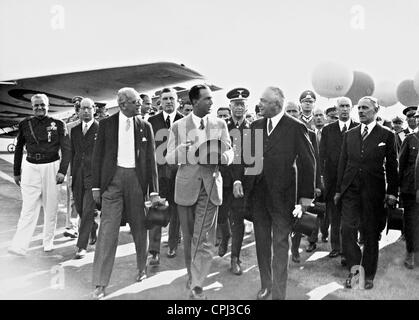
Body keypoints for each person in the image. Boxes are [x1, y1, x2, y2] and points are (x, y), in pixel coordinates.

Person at [240, 87, 315, 300]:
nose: (259, 104)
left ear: (276, 104)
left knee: (281, 248)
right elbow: (244, 158)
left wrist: (305, 199)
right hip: (258, 198)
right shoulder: (254, 126)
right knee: (262, 244)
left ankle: (279, 294)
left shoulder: (296, 127)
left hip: (284, 199)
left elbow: (309, 163)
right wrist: (239, 181)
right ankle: (266, 286)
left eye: (263, 101)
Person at [166, 84, 234, 299]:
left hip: (211, 187)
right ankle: (192, 274)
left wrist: (224, 158)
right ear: (194, 102)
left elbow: (230, 150)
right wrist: (181, 151)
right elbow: (167, 158)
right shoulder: (178, 126)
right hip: (186, 188)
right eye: (207, 99)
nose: (211, 103)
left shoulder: (220, 123)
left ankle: (196, 284)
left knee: (203, 238)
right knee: (189, 238)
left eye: (211, 99)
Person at [91, 87, 158, 299]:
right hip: (113, 182)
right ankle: (100, 284)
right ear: (123, 105)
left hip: (136, 183)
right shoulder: (106, 124)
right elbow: (97, 156)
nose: (141, 104)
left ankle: (141, 268)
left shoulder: (145, 126)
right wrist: (95, 187)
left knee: (140, 228)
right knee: (107, 232)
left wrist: (154, 191)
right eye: (137, 102)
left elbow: (151, 161)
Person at [335, 96, 398, 290]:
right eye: (359, 108)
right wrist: (339, 189)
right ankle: (355, 272)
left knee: (371, 234)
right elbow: (342, 164)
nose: (361, 111)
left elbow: (392, 166)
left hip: (374, 193)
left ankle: (368, 274)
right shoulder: (350, 135)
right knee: (347, 230)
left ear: (376, 111)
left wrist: (392, 193)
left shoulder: (387, 135)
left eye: (365, 108)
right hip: (350, 191)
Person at [8, 94, 71, 256]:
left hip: (51, 166)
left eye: (42, 105)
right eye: (36, 105)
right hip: (30, 167)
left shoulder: (58, 124)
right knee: (28, 208)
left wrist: (62, 171)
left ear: (48, 105)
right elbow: (18, 147)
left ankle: (48, 242)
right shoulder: (25, 124)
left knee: (51, 207)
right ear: (32, 107)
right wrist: (16, 171)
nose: (39, 108)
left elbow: (66, 149)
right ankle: (19, 245)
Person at [320, 97, 359, 265]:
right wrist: (321, 178)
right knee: (334, 216)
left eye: (347, 106)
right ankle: (336, 247)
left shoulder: (358, 127)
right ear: (336, 109)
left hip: (352, 181)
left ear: (351, 108)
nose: (344, 109)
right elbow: (322, 156)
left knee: (350, 219)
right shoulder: (328, 130)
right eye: (341, 106)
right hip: (332, 180)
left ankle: (348, 250)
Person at [217, 88, 252, 276]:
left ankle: (235, 258)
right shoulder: (221, 126)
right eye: (235, 104)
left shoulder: (253, 128)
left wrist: (243, 179)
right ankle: (225, 237)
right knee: (221, 217)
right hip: (223, 180)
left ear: (246, 107)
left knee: (238, 220)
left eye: (242, 104)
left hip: (242, 183)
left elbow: (253, 158)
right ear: (229, 106)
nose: (239, 107)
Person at [147, 88, 183, 264]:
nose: (169, 101)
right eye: (165, 99)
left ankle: (172, 243)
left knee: (176, 210)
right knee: (156, 210)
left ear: (177, 101)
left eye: (172, 98)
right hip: (159, 173)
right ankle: (153, 250)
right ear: (159, 102)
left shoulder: (184, 121)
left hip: (178, 173)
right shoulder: (152, 121)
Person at [284, 102, 321, 261]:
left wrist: (316, 186)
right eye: (289, 111)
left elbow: (315, 161)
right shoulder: (279, 133)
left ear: (300, 113)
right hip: (283, 184)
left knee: (299, 217)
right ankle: (283, 249)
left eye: (294, 111)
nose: (292, 114)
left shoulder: (310, 133)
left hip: (301, 183)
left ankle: (295, 249)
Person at [70, 98, 99, 259]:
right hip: (78, 176)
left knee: (88, 210)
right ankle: (93, 226)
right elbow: (73, 153)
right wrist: (71, 174)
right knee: (81, 209)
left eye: (89, 108)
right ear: (79, 111)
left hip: (93, 177)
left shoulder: (100, 128)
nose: (86, 111)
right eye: (83, 108)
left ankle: (81, 246)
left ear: (94, 109)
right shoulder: (74, 131)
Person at [398, 108, 419, 268]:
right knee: (412, 222)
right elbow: (401, 165)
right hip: (411, 189)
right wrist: (396, 189)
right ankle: (410, 253)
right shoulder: (411, 139)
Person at [64, 96, 83, 239]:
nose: (78, 109)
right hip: (74, 167)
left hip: (91, 169)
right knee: (73, 198)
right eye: (76, 107)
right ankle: (72, 226)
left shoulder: (99, 125)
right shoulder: (70, 127)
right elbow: (66, 150)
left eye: (80, 107)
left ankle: (88, 227)